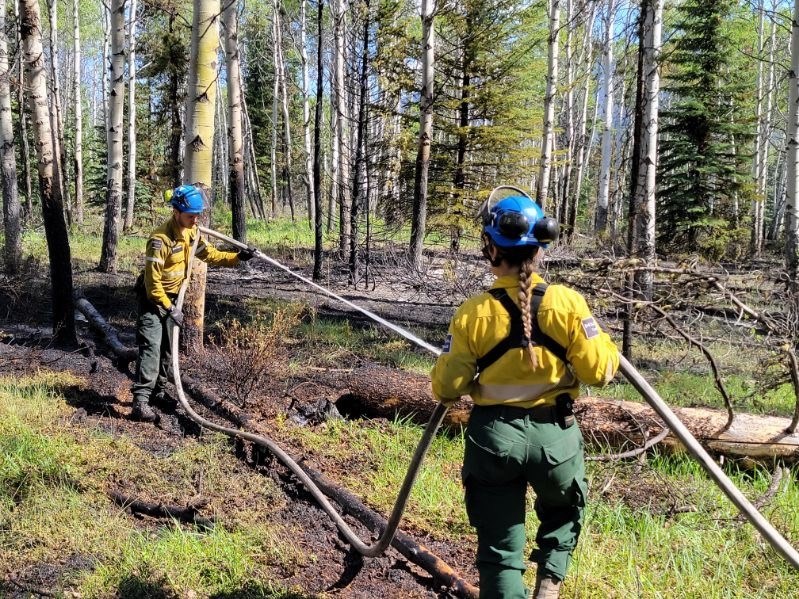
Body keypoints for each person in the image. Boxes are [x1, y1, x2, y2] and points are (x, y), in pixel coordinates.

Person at [430, 194, 619, 599]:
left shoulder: (472, 312)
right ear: (540, 248)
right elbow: (599, 371)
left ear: (492, 248)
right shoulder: (568, 304)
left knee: (499, 547)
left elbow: (447, 388)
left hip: (494, 440)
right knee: (564, 511)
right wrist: (600, 339)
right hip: (558, 439)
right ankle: (548, 583)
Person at [131, 184, 256, 422]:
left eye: (198, 215)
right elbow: (152, 283)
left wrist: (238, 257)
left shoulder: (192, 234)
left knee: (168, 351)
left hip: (174, 301)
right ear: (176, 212)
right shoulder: (160, 240)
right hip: (154, 302)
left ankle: (158, 392)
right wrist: (168, 308)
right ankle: (141, 401)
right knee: (151, 348)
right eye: (191, 215)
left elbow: (210, 255)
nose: (195, 219)